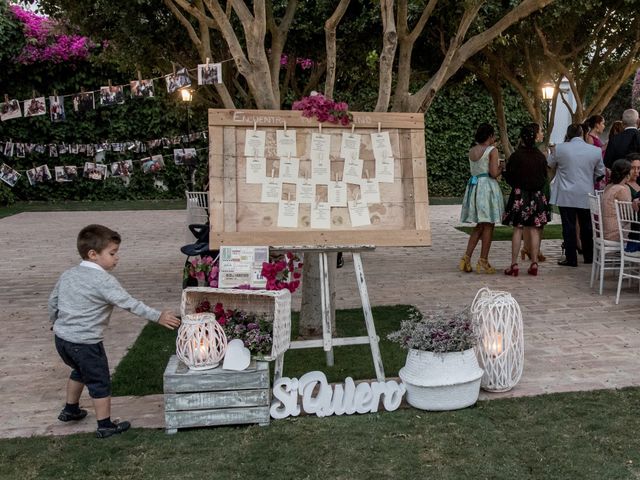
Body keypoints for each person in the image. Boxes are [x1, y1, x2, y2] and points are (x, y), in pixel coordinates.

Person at [48, 224, 181, 438]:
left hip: (62, 339)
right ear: (93, 254)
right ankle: (105, 426)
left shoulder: (69, 274)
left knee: (80, 371)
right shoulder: (104, 281)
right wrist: (158, 316)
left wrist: (55, 321)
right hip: (86, 342)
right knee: (99, 380)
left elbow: (53, 301)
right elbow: (129, 303)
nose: (116, 258)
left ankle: (71, 409)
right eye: (112, 253)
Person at [548, 123, 605, 267]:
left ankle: (571, 258)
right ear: (582, 134)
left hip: (566, 194)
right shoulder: (595, 151)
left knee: (568, 226)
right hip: (586, 193)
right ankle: (589, 256)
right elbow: (600, 173)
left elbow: (550, 164)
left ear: (568, 134)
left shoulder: (559, 148)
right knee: (587, 226)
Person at [502, 124, 552, 276]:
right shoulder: (540, 156)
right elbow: (545, 176)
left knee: (518, 229)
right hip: (536, 196)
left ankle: (514, 263)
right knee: (535, 229)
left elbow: (509, 176)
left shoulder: (516, 156)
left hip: (520, 195)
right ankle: (534, 262)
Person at [458, 123, 504, 274]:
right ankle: (483, 260)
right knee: (489, 225)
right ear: (490, 136)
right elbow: (492, 173)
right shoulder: (492, 150)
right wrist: (501, 167)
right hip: (487, 188)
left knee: (479, 225)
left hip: (475, 186)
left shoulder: (472, 151)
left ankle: (466, 257)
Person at [601, 159, 632, 241]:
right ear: (627, 174)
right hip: (618, 234)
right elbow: (629, 216)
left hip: (606, 231)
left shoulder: (608, 186)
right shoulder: (622, 189)